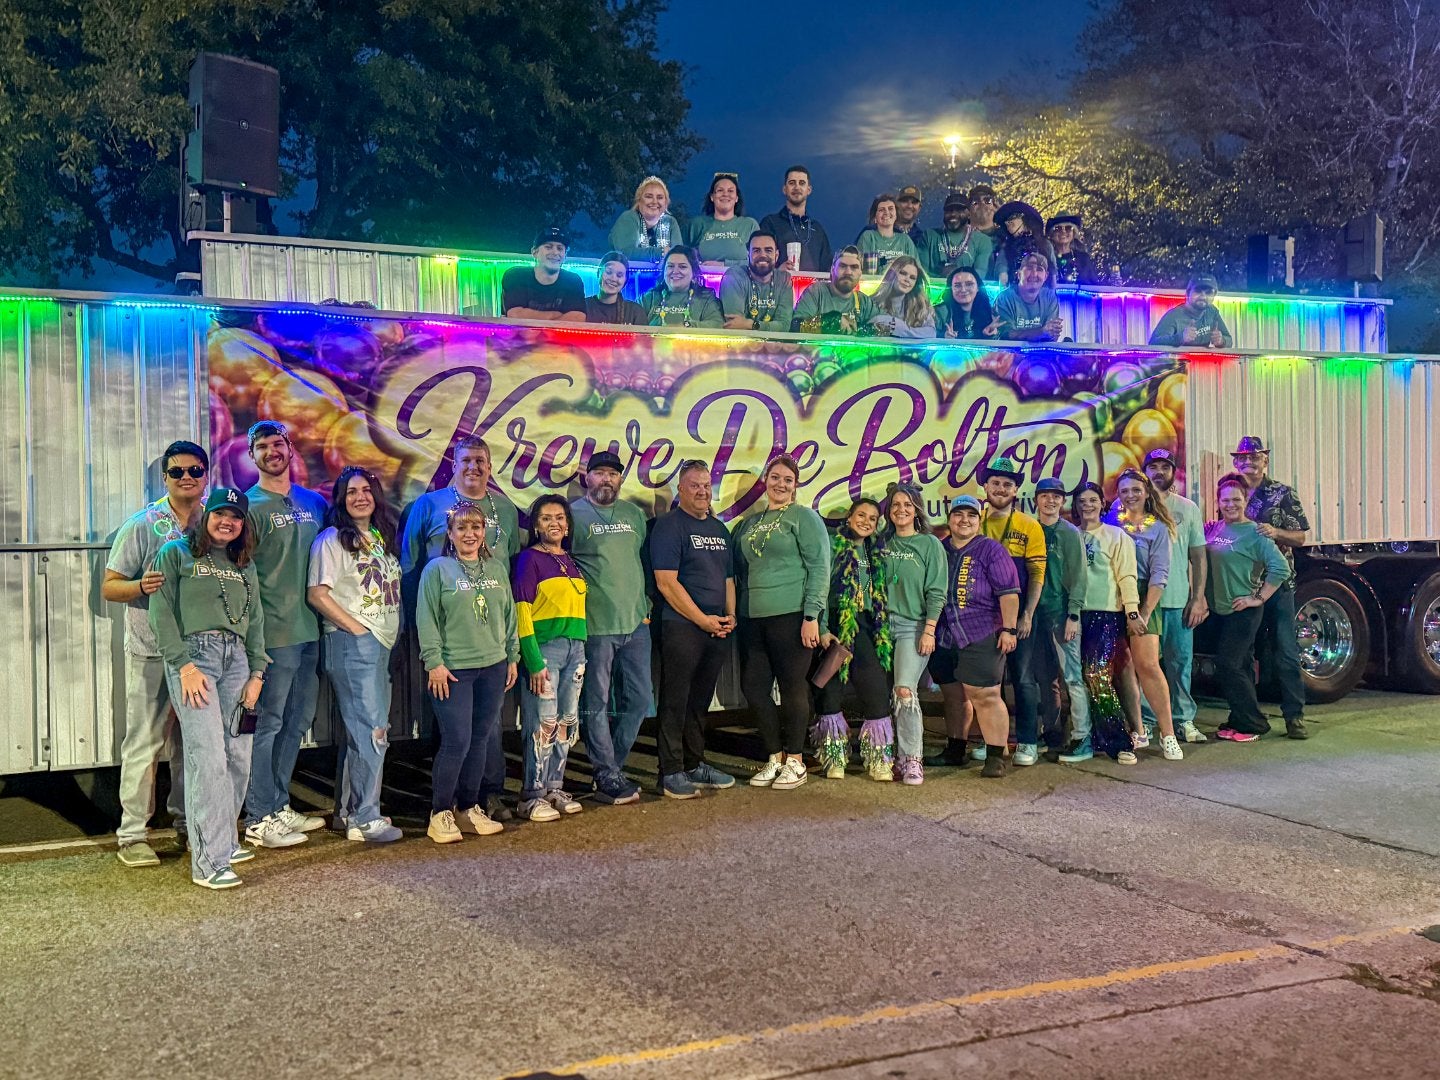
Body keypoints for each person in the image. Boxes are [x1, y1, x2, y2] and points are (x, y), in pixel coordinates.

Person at [148, 487, 267, 889]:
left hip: (238, 661)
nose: (227, 522)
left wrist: (257, 673)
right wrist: (183, 666)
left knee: (238, 754)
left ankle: (224, 840)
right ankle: (208, 862)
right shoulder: (176, 553)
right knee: (208, 756)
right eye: (220, 514)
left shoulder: (245, 566)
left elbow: (256, 620)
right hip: (195, 658)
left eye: (235, 517)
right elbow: (161, 613)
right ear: (206, 516)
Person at [399, 436, 522, 821]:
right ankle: (445, 805)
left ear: (490, 466)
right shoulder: (428, 506)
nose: (474, 467)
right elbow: (409, 566)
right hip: (448, 639)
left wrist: (511, 649)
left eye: (481, 461)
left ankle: (486, 796)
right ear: (453, 465)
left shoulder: (505, 508)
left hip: (492, 644)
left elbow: (510, 573)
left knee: (487, 729)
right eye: (466, 460)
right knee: (455, 731)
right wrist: (427, 644)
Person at [103, 440, 206, 867]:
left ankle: (189, 826)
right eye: (177, 471)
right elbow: (109, 587)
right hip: (151, 652)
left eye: (195, 470)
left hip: (200, 654)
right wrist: (139, 586)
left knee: (193, 744)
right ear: (164, 478)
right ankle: (132, 836)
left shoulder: (215, 522)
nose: (186, 478)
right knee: (145, 743)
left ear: (206, 476)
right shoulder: (142, 525)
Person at [241, 421, 328, 849]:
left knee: (297, 723)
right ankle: (258, 816)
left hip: (312, 630)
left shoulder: (315, 502)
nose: (272, 451)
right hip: (274, 634)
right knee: (268, 724)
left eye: (278, 443)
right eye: (262, 446)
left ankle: (278, 805)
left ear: (290, 449)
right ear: (252, 455)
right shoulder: (248, 506)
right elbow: (242, 575)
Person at [306, 466, 404, 843]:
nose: (360, 497)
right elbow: (318, 593)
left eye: (365, 490)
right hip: (353, 643)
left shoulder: (378, 537)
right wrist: (356, 628)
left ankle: (350, 813)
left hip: (379, 644)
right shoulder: (331, 540)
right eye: (351, 492)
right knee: (372, 731)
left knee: (363, 733)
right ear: (340, 500)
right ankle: (366, 818)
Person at [416, 501, 518, 842]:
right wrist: (434, 662)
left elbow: (509, 616)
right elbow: (427, 619)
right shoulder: (437, 570)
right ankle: (440, 813)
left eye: (476, 527)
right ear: (450, 533)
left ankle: (468, 808)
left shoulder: (496, 569)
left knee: (480, 740)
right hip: (454, 670)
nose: (469, 534)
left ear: (484, 531)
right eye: (461, 528)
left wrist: (512, 655)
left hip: (494, 665)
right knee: (456, 741)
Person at [731, 454, 830, 791]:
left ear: (795, 484)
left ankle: (796, 760)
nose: (781, 484)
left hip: (792, 614)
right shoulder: (749, 523)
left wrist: (812, 616)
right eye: (775, 477)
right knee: (753, 687)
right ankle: (774, 757)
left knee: (792, 687)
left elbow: (819, 568)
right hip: (752, 617)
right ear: (765, 481)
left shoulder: (804, 517)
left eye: (788, 479)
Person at [650, 460, 738, 799]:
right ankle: (670, 771)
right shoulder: (669, 527)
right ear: (681, 490)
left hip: (716, 628)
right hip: (682, 627)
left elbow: (728, 578)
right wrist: (702, 619)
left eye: (706, 485)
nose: (702, 491)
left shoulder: (719, 529)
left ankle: (693, 763)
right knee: (675, 699)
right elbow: (666, 583)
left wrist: (730, 616)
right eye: (694, 486)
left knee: (700, 700)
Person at [569, 451, 649, 806]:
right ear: (587, 477)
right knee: (596, 702)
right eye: (599, 472)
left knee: (641, 699)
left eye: (613, 474)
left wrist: (646, 607)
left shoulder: (634, 515)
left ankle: (610, 767)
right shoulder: (573, 515)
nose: (606, 479)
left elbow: (641, 560)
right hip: (596, 625)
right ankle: (606, 773)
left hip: (636, 623)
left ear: (620, 479)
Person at [930, 496, 1020, 779]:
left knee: (986, 695)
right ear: (949, 519)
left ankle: (996, 756)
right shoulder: (940, 549)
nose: (964, 520)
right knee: (953, 694)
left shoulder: (991, 550)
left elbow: (1009, 592)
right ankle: (955, 749)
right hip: (944, 635)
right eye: (958, 514)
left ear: (979, 521)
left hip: (981, 632)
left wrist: (1009, 629)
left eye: (971, 515)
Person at [512, 495, 588, 820]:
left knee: (566, 722)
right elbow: (522, 611)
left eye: (559, 517)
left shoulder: (569, 560)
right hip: (545, 650)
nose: (553, 523)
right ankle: (532, 795)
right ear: (536, 525)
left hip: (576, 649)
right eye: (545, 518)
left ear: (567, 525)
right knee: (542, 723)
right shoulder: (529, 559)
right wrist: (532, 660)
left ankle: (555, 788)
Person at [1233, 435, 1311, 738]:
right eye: (1242, 458)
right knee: (1242, 653)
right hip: (1244, 584)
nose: (1248, 462)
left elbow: (1300, 537)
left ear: (1265, 460)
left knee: (1285, 651)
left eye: (1254, 457)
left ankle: (1294, 716)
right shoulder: (1232, 491)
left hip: (1278, 583)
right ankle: (1247, 715)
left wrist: (1275, 531)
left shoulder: (1282, 493)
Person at [1206, 472, 1292, 741]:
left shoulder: (1256, 533)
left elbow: (1281, 568)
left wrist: (1259, 598)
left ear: (1245, 501)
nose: (1230, 504)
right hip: (1219, 609)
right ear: (1218, 502)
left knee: (1228, 664)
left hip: (1243, 610)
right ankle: (1238, 719)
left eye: (1236, 499)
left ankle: (1254, 723)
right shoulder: (1214, 529)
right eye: (1225, 500)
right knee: (1241, 667)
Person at [810, 498, 892, 780]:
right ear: (849, 517)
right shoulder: (833, 546)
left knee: (875, 688)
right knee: (830, 689)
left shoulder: (875, 550)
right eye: (861, 515)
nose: (866, 521)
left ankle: (879, 758)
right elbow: (819, 586)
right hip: (836, 621)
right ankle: (834, 757)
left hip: (867, 624)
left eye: (872, 518)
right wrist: (822, 627)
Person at [1107, 469, 1185, 761]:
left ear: (1147, 492)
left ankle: (1168, 734)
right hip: (1112, 594)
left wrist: (1143, 612)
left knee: (1148, 664)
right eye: (1124, 491)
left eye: (1136, 490)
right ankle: (1137, 731)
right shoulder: (1112, 521)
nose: (1130, 496)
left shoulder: (1159, 527)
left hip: (1143, 596)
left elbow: (1159, 574)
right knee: (1122, 667)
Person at [978, 456, 1047, 765]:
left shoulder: (1029, 526)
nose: (1001, 489)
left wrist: (1028, 614)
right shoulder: (975, 521)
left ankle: (1028, 741)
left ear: (1016, 490)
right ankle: (994, 742)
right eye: (995, 483)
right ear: (985, 486)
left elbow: (1036, 574)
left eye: (1007, 484)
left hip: (1018, 616)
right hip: (982, 617)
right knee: (988, 681)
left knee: (1023, 677)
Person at [875, 484, 946, 783]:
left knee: (904, 690)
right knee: (882, 694)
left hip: (912, 626)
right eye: (895, 505)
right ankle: (887, 756)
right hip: (880, 627)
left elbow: (937, 591)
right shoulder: (880, 543)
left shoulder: (929, 544)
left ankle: (912, 759)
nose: (901, 509)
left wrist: (929, 630)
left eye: (907, 504)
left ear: (917, 510)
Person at [1139, 449, 1209, 745]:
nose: (1158, 472)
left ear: (1173, 472)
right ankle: (1146, 719)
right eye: (1152, 466)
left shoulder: (1187, 508)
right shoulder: (1127, 505)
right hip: (1143, 603)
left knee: (1180, 663)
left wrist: (1198, 597)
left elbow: (1198, 556)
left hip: (1178, 600)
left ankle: (1183, 719)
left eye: (1164, 467)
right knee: (1145, 665)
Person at [1072, 482, 1142, 764]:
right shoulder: (1071, 535)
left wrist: (1132, 612)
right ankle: (1088, 736)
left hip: (1105, 615)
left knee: (1097, 675)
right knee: (1077, 679)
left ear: (1102, 503)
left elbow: (1127, 576)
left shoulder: (1116, 536)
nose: (1087, 505)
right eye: (1082, 501)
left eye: (1092, 500)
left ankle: (1119, 741)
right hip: (1074, 614)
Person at [1031, 477, 1090, 763]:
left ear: (1063, 501)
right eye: (1045, 495)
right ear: (1036, 500)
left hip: (1061, 613)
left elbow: (1079, 577)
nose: (1050, 500)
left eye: (1056, 496)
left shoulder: (1069, 533)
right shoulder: (1030, 529)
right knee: (1045, 678)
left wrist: (1073, 615)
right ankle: (1052, 733)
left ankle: (1082, 737)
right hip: (1036, 616)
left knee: (1073, 677)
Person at [500, 227, 587, 322]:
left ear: (565, 255)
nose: (555, 252)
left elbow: (578, 318)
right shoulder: (516, 276)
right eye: (548, 247)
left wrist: (530, 317)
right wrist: (555, 315)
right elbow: (515, 315)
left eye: (560, 248)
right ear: (534, 252)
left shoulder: (573, 281)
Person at [758, 165, 833, 272]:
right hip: (779, 283)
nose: (797, 187)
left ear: (809, 190)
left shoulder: (817, 229)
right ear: (784, 189)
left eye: (802, 183)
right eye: (792, 183)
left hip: (813, 283)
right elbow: (760, 262)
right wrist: (777, 272)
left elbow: (827, 269)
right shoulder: (770, 223)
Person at [720, 230, 795, 331]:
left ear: (776, 256)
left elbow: (784, 326)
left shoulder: (784, 279)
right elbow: (734, 325)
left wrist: (750, 324)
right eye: (756, 250)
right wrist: (769, 327)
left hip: (774, 341)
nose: (762, 255)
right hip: (740, 341)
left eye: (768, 250)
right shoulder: (734, 277)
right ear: (748, 255)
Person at [791, 247, 876, 334]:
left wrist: (861, 328)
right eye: (842, 266)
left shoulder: (864, 301)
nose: (848, 272)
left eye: (854, 267)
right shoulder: (816, 292)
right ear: (832, 269)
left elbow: (882, 325)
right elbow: (796, 326)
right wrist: (833, 321)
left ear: (860, 273)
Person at [639, 246, 724, 328]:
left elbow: (718, 324)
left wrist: (686, 326)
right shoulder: (649, 298)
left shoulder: (706, 298)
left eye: (682, 267)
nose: (675, 271)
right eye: (670, 266)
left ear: (693, 272)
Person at [688, 172, 760, 268]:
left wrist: (725, 264)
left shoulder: (749, 225)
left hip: (740, 277)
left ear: (736, 198)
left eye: (730, 191)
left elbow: (759, 260)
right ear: (712, 197)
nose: (725, 194)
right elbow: (680, 255)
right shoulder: (697, 224)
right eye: (720, 190)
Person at [608, 176, 682, 263]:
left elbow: (679, 256)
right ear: (639, 201)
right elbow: (626, 253)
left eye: (660, 197)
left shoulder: (670, 222)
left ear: (666, 203)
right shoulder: (628, 218)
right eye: (649, 196)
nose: (654, 201)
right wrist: (661, 253)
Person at [992, 253, 1064, 341]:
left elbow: (1052, 335)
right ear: (1019, 274)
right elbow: (1006, 335)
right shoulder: (1004, 298)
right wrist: (1040, 332)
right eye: (1029, 268)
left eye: (1039, 269)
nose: (1034, 274)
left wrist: (1048, 332)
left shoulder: (1049, 297)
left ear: (1046, 276)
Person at [1149, 274, 1234, 348]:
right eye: (1198, 291)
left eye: (1208, 293)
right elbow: (1153, 343)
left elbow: (1229, 341)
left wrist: (1221, 341)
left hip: (1203, 361)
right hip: (1177, 361)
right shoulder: (1174, 315)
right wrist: (1180, 338)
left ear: (1214, 295)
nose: (1203, 297)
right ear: (1188, 293)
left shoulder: (1212, 312)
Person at [922, 193, 993, 280]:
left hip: (967, 288)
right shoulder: (929, 236)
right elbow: (922, 272)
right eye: (949, 210)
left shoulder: (983, 240)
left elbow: (980, 274)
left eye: (959, 210)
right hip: (933, 288)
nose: (953, 214)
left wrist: (955, 275)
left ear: (969, 214)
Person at [869, 256, 937, 339]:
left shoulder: (920, 306)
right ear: (891, 274)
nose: (907, 280)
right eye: (903, 273)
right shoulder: (872, 302)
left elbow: (931, 333)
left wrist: (902, 329)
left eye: (912, 278)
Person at [993, 201, 1057, 286]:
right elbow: (1002, 270)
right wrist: (1003, 276)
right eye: (1006, 221)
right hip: (1014, 291)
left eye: (1013, 217)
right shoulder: (1007, 247)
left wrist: (1052, 289)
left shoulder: (1045, 244)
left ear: (1025, 219)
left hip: (1042, 291)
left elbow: (1053, 272)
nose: (1008, 223)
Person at [584, 251, 648, 326]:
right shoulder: (583, 306)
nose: (613, 278)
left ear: (625, 280)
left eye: (619, 275)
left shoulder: (635, 311)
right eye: (608, 272)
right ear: (598, 273)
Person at [856, 193, 919, 269]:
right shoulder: (868, 237)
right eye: (881, 210)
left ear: (896, 214)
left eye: (890, 209)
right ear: (875, 217)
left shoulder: (906, 240)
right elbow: (865, 270)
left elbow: (916, 270)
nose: (886, 212)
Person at [938, 267, 996, 340]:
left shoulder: (989, 312)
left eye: (969, 284)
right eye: (957, 285)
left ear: (978, 287)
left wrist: (989, 335)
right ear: (951, 289)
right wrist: (943, 337)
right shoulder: (939, 313)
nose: (963, 290)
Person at [1047, 215, 1100, 285]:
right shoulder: (1046, 259)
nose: (1063, 231)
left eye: (1068, 228)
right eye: (1058, 228)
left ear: (1074, 233)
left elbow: (1094, 285)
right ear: (1052, 235)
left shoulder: (1084, 259)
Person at [967, 184, 1005, 280]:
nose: (982, 203)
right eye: (975, 201)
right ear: (968, 211)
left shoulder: (1006, 238)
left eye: (987, 200)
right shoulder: (959, 238)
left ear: (995, 207)